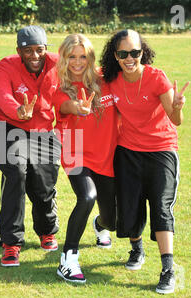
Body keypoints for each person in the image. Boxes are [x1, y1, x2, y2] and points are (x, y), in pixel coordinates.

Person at [100, 29, 189, 294]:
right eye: (123, 53)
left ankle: (168, 269)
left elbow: (175, 121)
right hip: (127, 151)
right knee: (129, 206)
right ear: (115, 56)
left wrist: (178, 106)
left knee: (161, 207)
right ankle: (136, 249)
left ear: (143, 52)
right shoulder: (111, 79)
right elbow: (80, 71)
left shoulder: (156, 78)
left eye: (135, 52)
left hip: (161, 149)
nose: (130, 58)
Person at [52, 34, 118, 284]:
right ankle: (68, 258)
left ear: (90, 57)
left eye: (83, 56)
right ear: (64, 58)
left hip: (107, 154)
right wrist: (76, 107)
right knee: (87, 196)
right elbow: (65, 106)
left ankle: (100, 225)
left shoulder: (107, 79)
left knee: (113, 222)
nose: (77, 62)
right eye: (71, 57)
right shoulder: (59, 86)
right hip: (75, 152)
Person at [0, 25, 61, 267]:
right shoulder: (6, 65)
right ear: (18, 51)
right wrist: (17, 110)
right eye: (28, 50)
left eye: (39, 50)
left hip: (43, 129)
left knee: (44, 184)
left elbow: (86, 70)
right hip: (10, 127)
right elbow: (1, 93)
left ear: (46, 49)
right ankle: (11, 242)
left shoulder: (57, 63)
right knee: (16, 175)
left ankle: (47, 230)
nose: (34, 55)